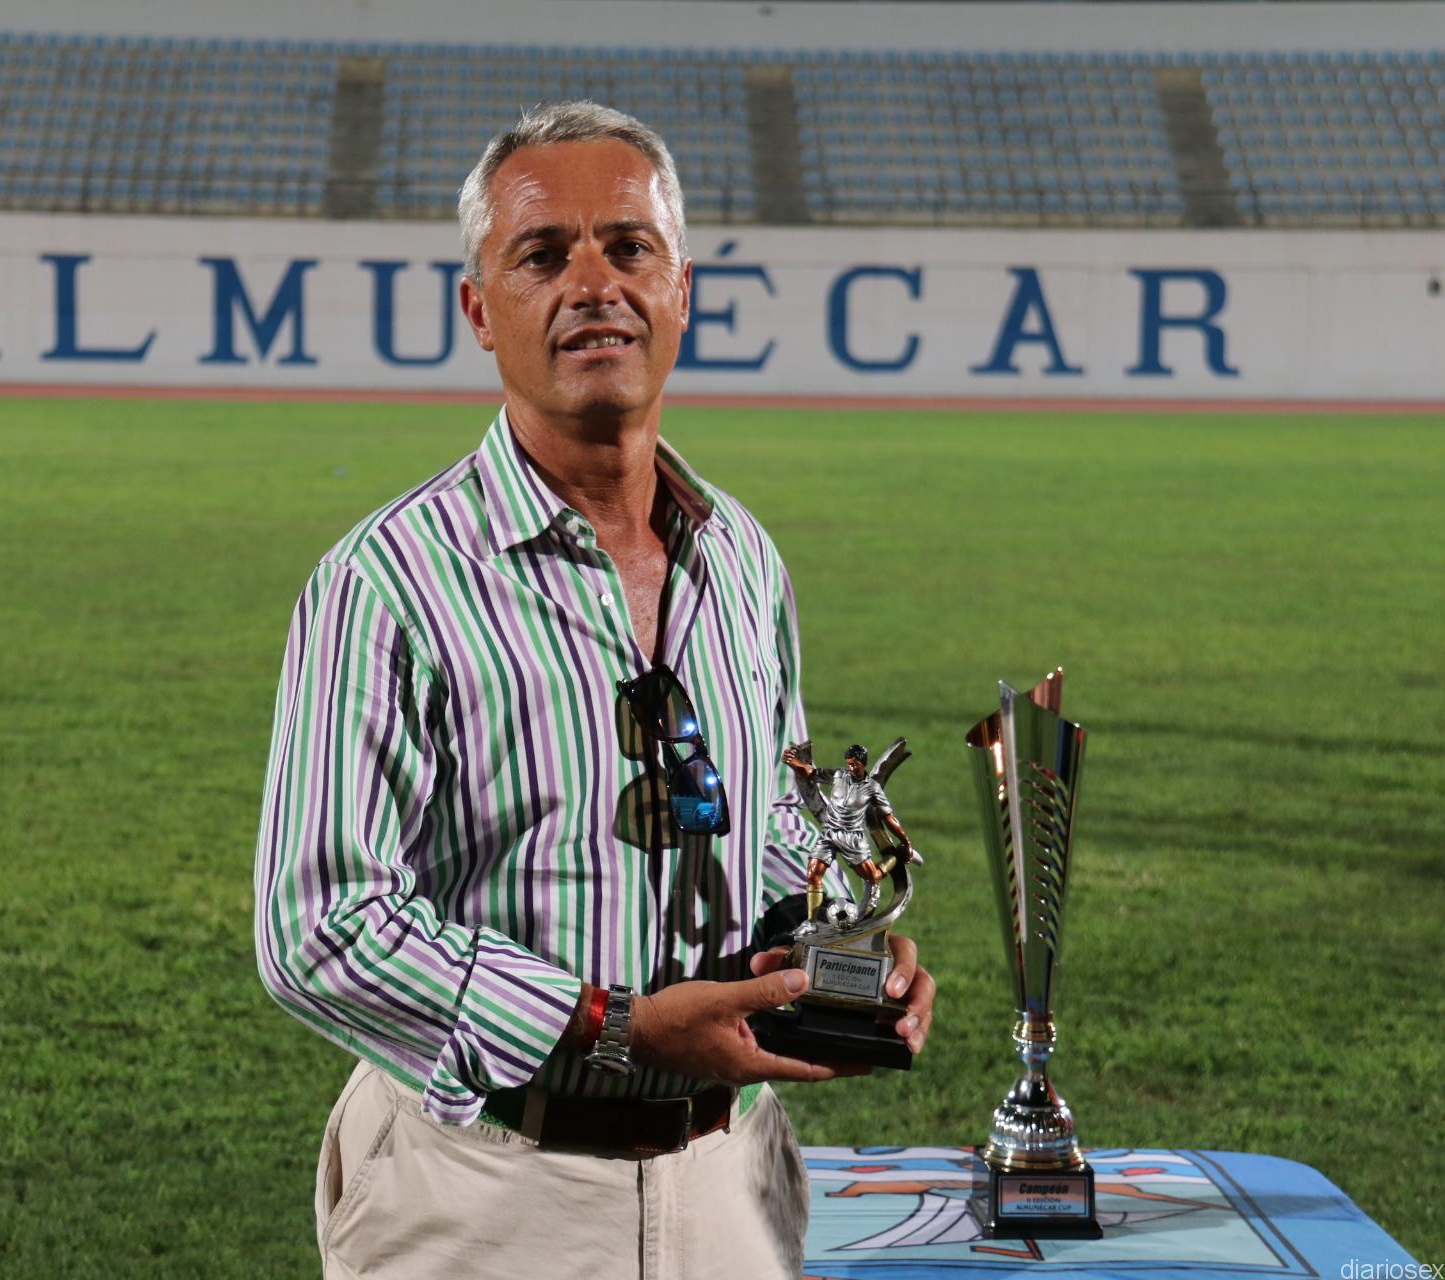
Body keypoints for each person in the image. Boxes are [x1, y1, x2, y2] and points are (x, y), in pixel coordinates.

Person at [253, 101, 934, 1280]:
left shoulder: (741, 558)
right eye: (541, 253)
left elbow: (776, 828)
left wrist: (844, 950)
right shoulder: (385, 583)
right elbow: (319, 927)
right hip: (484, 1189)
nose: (593, 284)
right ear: (480, 308)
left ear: (682, 290)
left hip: (732, 1179)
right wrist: (612, 1025)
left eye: (629, 247)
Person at [782, 743, 921, 931]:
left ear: (863, 764)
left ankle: (896, 857)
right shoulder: (839, 775)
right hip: (829, 833)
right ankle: (811, 923)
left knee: (873, 877)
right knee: (813, 873)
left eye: (855, 764)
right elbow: (812, 773)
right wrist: (795, 763)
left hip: (852, 838)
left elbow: (888, 818)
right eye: (849, 764)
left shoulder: (872, 788)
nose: (851, 768)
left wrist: (905, 841)